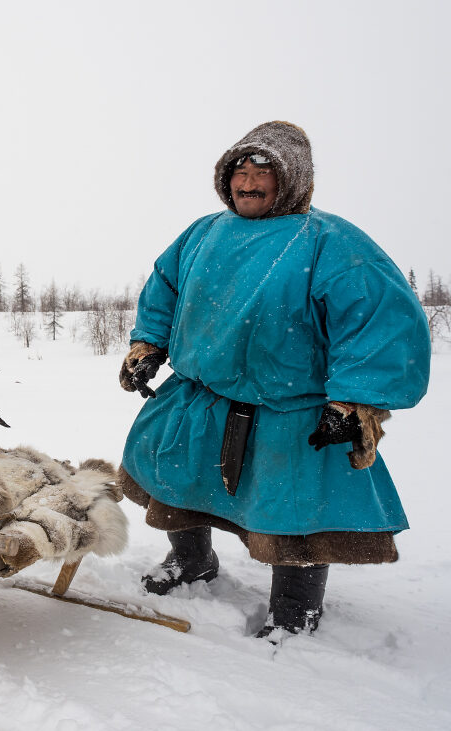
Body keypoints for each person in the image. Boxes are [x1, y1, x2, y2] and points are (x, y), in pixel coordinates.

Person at [117, 121, 430, 640]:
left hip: (290, 411)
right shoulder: (203, 232)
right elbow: (164, 289)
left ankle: (293, 611)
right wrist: (149, 343)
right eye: (239, 169)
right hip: (200, 397)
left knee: (295, 511)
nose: (247, 181)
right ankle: (193, 563)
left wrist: (353, 401)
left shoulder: (330, 241)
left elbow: (378, 320)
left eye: (262, 170)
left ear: (292, 179)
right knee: (172, 477)